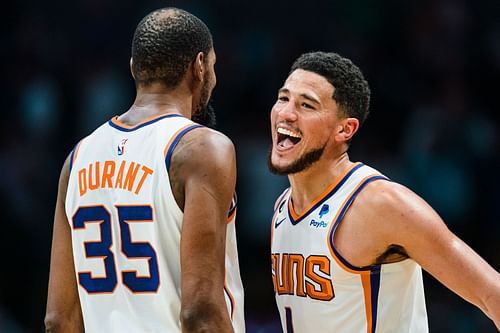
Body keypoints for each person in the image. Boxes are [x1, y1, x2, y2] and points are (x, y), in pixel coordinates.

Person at [268, 51, 500, 332]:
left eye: (307, 105)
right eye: (283, 98)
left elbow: (492, 294)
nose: (286, 113)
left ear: (345, 129)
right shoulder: (283, 207)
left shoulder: (381, 203)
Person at [45, 7, 244, 333]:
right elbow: (201, 312)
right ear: (199, 67)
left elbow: (58, 320)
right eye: (213, 65)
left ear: (134, 68)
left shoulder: (76, 159)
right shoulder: (201, 149)